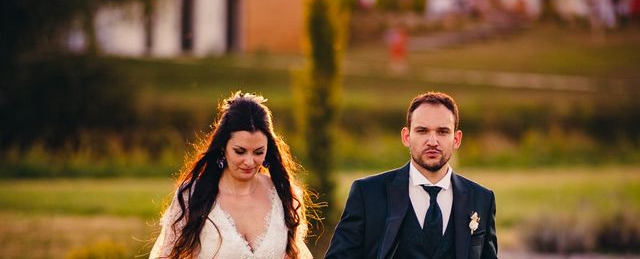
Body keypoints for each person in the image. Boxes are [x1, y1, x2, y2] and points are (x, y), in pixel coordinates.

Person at [325, 91, 498, 259]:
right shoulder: (367, 193)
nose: (432, 141)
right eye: (422, 131)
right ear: (406, 136)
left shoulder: (482, 199)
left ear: (456, 139)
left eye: (442, 131)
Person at [150, 91, 313, 259]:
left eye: (258, 152)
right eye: (240, 151)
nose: (249, 162)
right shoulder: (191, 196)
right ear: (223, 147)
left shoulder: (284, 194)